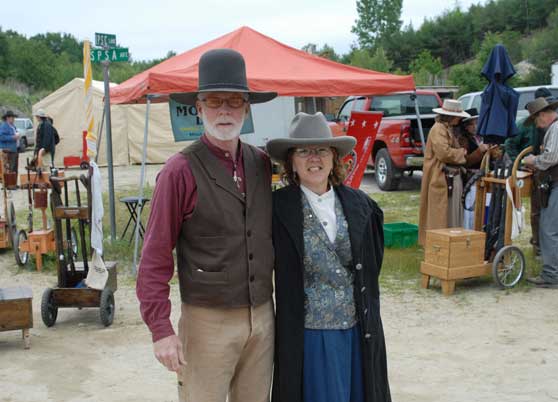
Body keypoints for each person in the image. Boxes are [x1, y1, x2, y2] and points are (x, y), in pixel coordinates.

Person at [136, 48, 277, 402]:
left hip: (262, 317)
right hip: (206, 322)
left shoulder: (260, 163)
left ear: (247, 108)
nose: (225, 111)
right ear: (198, 108)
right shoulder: (179, 172)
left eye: (234, 101)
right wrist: (161, 329)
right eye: (215, 102)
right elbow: (154, 256)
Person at [267, 112, 391, 402]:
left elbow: (373, 264)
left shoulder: (362, 206)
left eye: (322, 150)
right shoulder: (276, 210)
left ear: (334, 157)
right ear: (291, 162)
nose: (314, 158)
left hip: (358, 331)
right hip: (310, 337)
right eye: (304, 151)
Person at [522, 96, 558, 288]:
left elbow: (552, 158)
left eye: (537, 120)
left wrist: (533, 160)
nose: (538, 125)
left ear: (544, 115)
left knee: (550, 229)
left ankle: (551, 275)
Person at [505, 87, 558, 255]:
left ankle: (551, 244)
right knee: (537, 209)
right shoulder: (524, 124)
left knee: (551, 208)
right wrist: (522, 162)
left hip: (553, 171)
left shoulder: (557, 125)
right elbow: (509, 143)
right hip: (534, 172)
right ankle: (538, 244)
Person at [418, 99, 469, 246]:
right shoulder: (438, 129)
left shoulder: (446, 128)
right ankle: (438, 245)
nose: (459, 119)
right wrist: (461, 152)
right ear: (451, 116)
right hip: (440, 177)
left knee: (446, 213)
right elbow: (443, 153)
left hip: (446, 177)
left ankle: (447, 244)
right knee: (439, 214)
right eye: (458, 116)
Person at [455, 108, 489, 229]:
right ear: (465, 127)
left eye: (477, 123)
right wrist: (479, 151)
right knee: (472, 209)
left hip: (486, 177)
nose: (475, 127)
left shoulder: (484, 137)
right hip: (471, 180)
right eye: (471, 124)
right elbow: (465, 161)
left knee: (486, 207)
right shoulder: (462, 140)